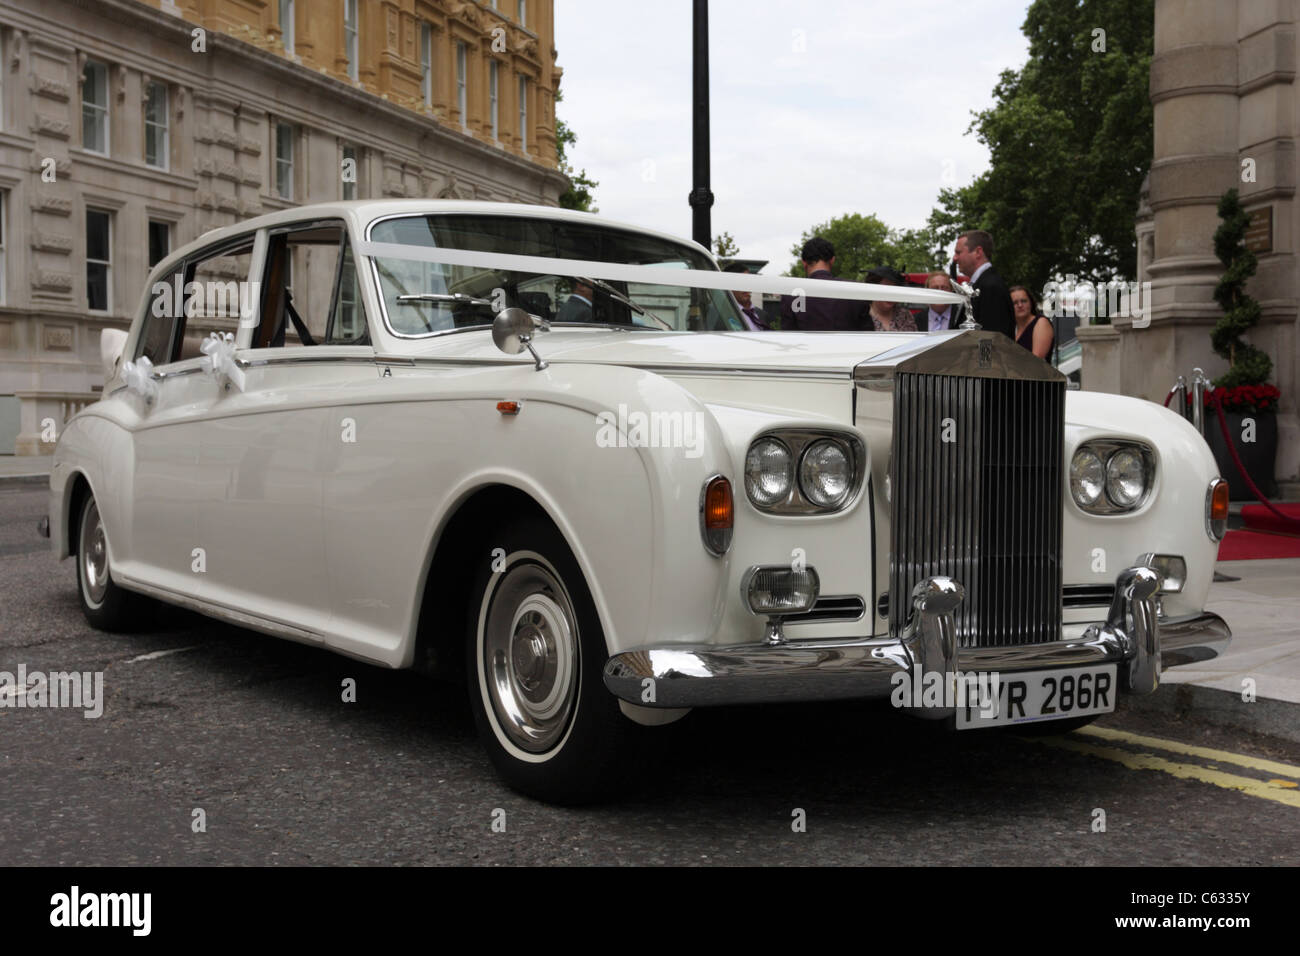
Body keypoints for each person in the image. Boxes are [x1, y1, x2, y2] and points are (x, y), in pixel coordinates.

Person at [779, 237, 872, 331]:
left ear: (804, 263)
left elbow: (789, 335)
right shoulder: (855, 290)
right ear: (832, 260)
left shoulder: (792, 295)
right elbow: (868, 334)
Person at [952, 230, 1014, 339]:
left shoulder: (991, 287)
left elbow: (992, 338)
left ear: (978, 252)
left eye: (958, 252)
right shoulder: (983, 284)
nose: (954, 258)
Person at [864, 267, 917, 331]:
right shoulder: (861, 314)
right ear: (873, 288)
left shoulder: (904, 315)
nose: (891, 294)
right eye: (886, 287)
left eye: (895, 289)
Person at [1010, 285, 1055, 361]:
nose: (1020, 305)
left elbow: (1035, 361)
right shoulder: (1011, 328)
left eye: (1024, 301)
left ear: (1031, 303)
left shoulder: (1041, 322)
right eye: (1015, 303)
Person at [724, 262, 771, 330]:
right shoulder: (721, 315)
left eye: (748, 281)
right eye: (740, 282)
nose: (745, 287)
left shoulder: (763, 315)